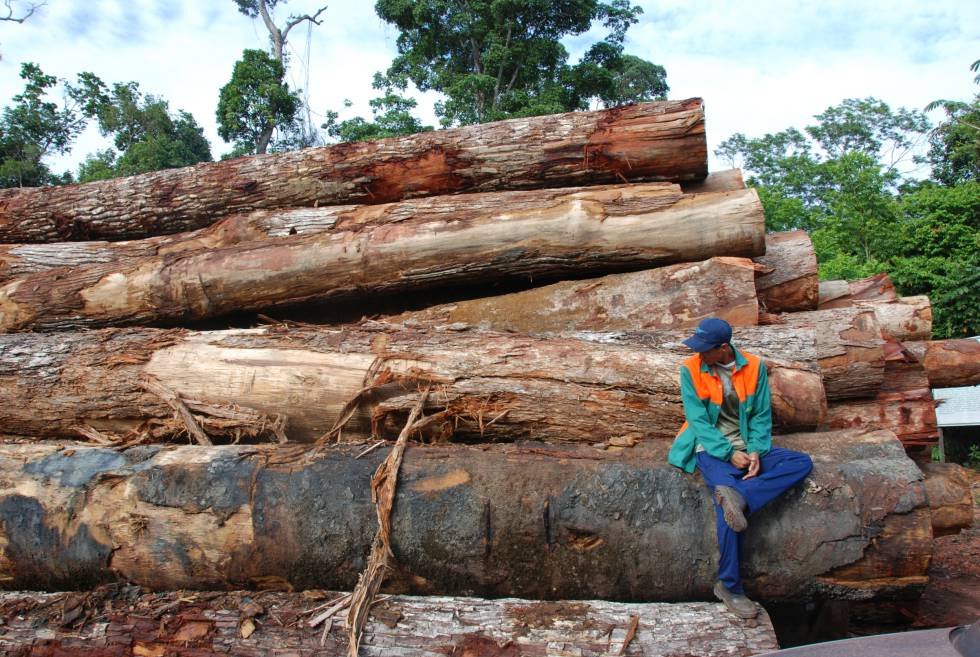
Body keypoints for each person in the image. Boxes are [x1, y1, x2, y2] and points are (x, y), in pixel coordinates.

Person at [668, 317, 813, 619]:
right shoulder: (691, 369)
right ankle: (730, 587)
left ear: (723, 348)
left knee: (800, 462)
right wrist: (728, 453)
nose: (699, 354)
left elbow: (760, 415)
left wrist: (757, 451)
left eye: (704, 349)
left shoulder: (754, 367)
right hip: (710, 447)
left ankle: (742, 495)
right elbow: (698, 421)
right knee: (728, 509)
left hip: (748, 445)